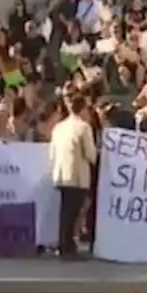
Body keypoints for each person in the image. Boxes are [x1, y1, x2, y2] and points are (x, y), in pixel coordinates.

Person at [48, 95, 97, 260]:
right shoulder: (84, 128)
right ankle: (67, 246)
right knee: (73, 212)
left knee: (65, 211)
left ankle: (64, 244)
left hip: (61, 173)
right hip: (77, 175)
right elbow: (90, 154)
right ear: (83, 109)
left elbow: (52, 153)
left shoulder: (59, 127)